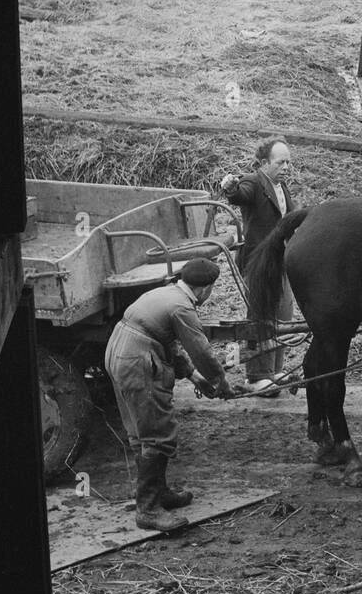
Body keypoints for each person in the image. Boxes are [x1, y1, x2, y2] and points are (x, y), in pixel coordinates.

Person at [103, 257, 232, 533]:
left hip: (120, 351)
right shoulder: (182, 307)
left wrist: (193, 377)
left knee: (140, 431)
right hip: (138, 359)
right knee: (157, 432)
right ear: (205, 289)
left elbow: (167, 341)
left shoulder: (165, 293)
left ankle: (158, 494)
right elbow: (202, 351)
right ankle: (148, 510)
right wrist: (221, 382)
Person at [220, 137, 297, 394]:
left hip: (280, 259)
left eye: (288, 162)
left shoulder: (281, 186)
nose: (286, 167)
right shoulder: (254, 182)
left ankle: (275, 369)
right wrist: (230, 187)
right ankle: (256, 376)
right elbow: (238, 195)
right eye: (280, 162)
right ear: (264, 163)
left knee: (284, 314)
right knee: (261, 315)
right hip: (259, 262)